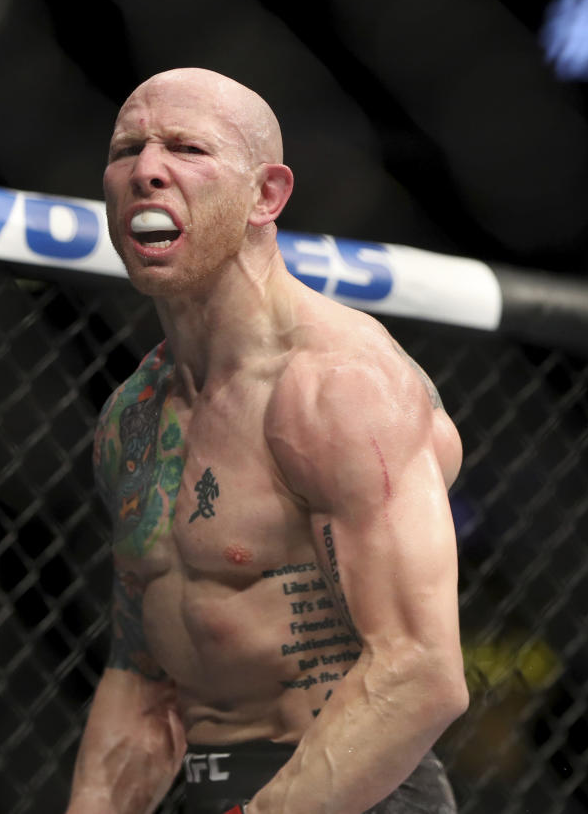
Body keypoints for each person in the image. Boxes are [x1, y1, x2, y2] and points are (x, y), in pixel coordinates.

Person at [65, 67, 467, 814]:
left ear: (266, 196)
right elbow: (143, 676)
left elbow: (420, 671)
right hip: (209, 789)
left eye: (186, 148)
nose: (146, 169)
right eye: (127, 149)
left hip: (356, 786)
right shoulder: (134, 417)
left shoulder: (339, 387)